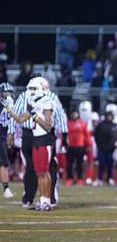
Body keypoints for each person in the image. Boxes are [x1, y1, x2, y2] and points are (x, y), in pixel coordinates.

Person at [6, 77, 67, 208]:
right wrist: (11, 112)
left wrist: (36, 117)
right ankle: (43, 200)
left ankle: (47, 200)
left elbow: (48, 126)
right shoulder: (32, 102)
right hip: (34, 138)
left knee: (45, 171)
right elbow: (21, 119)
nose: (31, 91)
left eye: (34, 89)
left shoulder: (47, 102)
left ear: (41, 89)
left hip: (45, 139)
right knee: (38, 171)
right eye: (30, 89)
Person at [65, 110, 90, 186]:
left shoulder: (82, 123)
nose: (74, 115)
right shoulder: (68, 123)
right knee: (69, 164)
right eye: (73, 113)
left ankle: (79, 179)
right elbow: (64, 134)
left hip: (80, 146)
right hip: (70, 146)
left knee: (79, 164)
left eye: (76, 114)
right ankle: (70, 179)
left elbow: (87, 135)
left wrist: (88, 145)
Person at [94, 110, 117, 186]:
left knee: (110, 164)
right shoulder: (101, 125)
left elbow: (115, 137)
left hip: (111, 149)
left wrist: (114, 145)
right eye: (108, 116)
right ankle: (99, 179)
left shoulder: (114, 126)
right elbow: (96, 136)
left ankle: (110, 178)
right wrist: (99, 145)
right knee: (102, 164)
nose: (109, 117)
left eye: (110, 116)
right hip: (102, 148)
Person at [1, 82, 15, 198]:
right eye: (6, 92)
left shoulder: (11, 104)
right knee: (4, 163)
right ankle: (6, 189)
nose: (8, 95)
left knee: (5, 162)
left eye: (10, 93)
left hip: (4, 137)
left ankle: (6, 189)